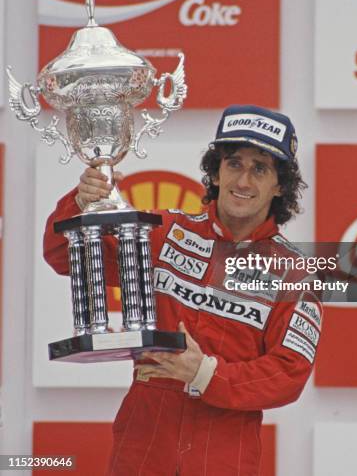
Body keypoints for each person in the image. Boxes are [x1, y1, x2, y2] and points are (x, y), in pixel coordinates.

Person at [43, 104, 322, 476]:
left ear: (280, 184)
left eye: (260, 168)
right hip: (144, 439)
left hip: (225, 448)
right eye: (234, 163)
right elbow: (62, 255)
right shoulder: (164, 234)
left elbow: (289, 373)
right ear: (216, 172)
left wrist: (204, 373)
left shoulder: (296, 275)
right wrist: (80, 202)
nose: (243, 181)